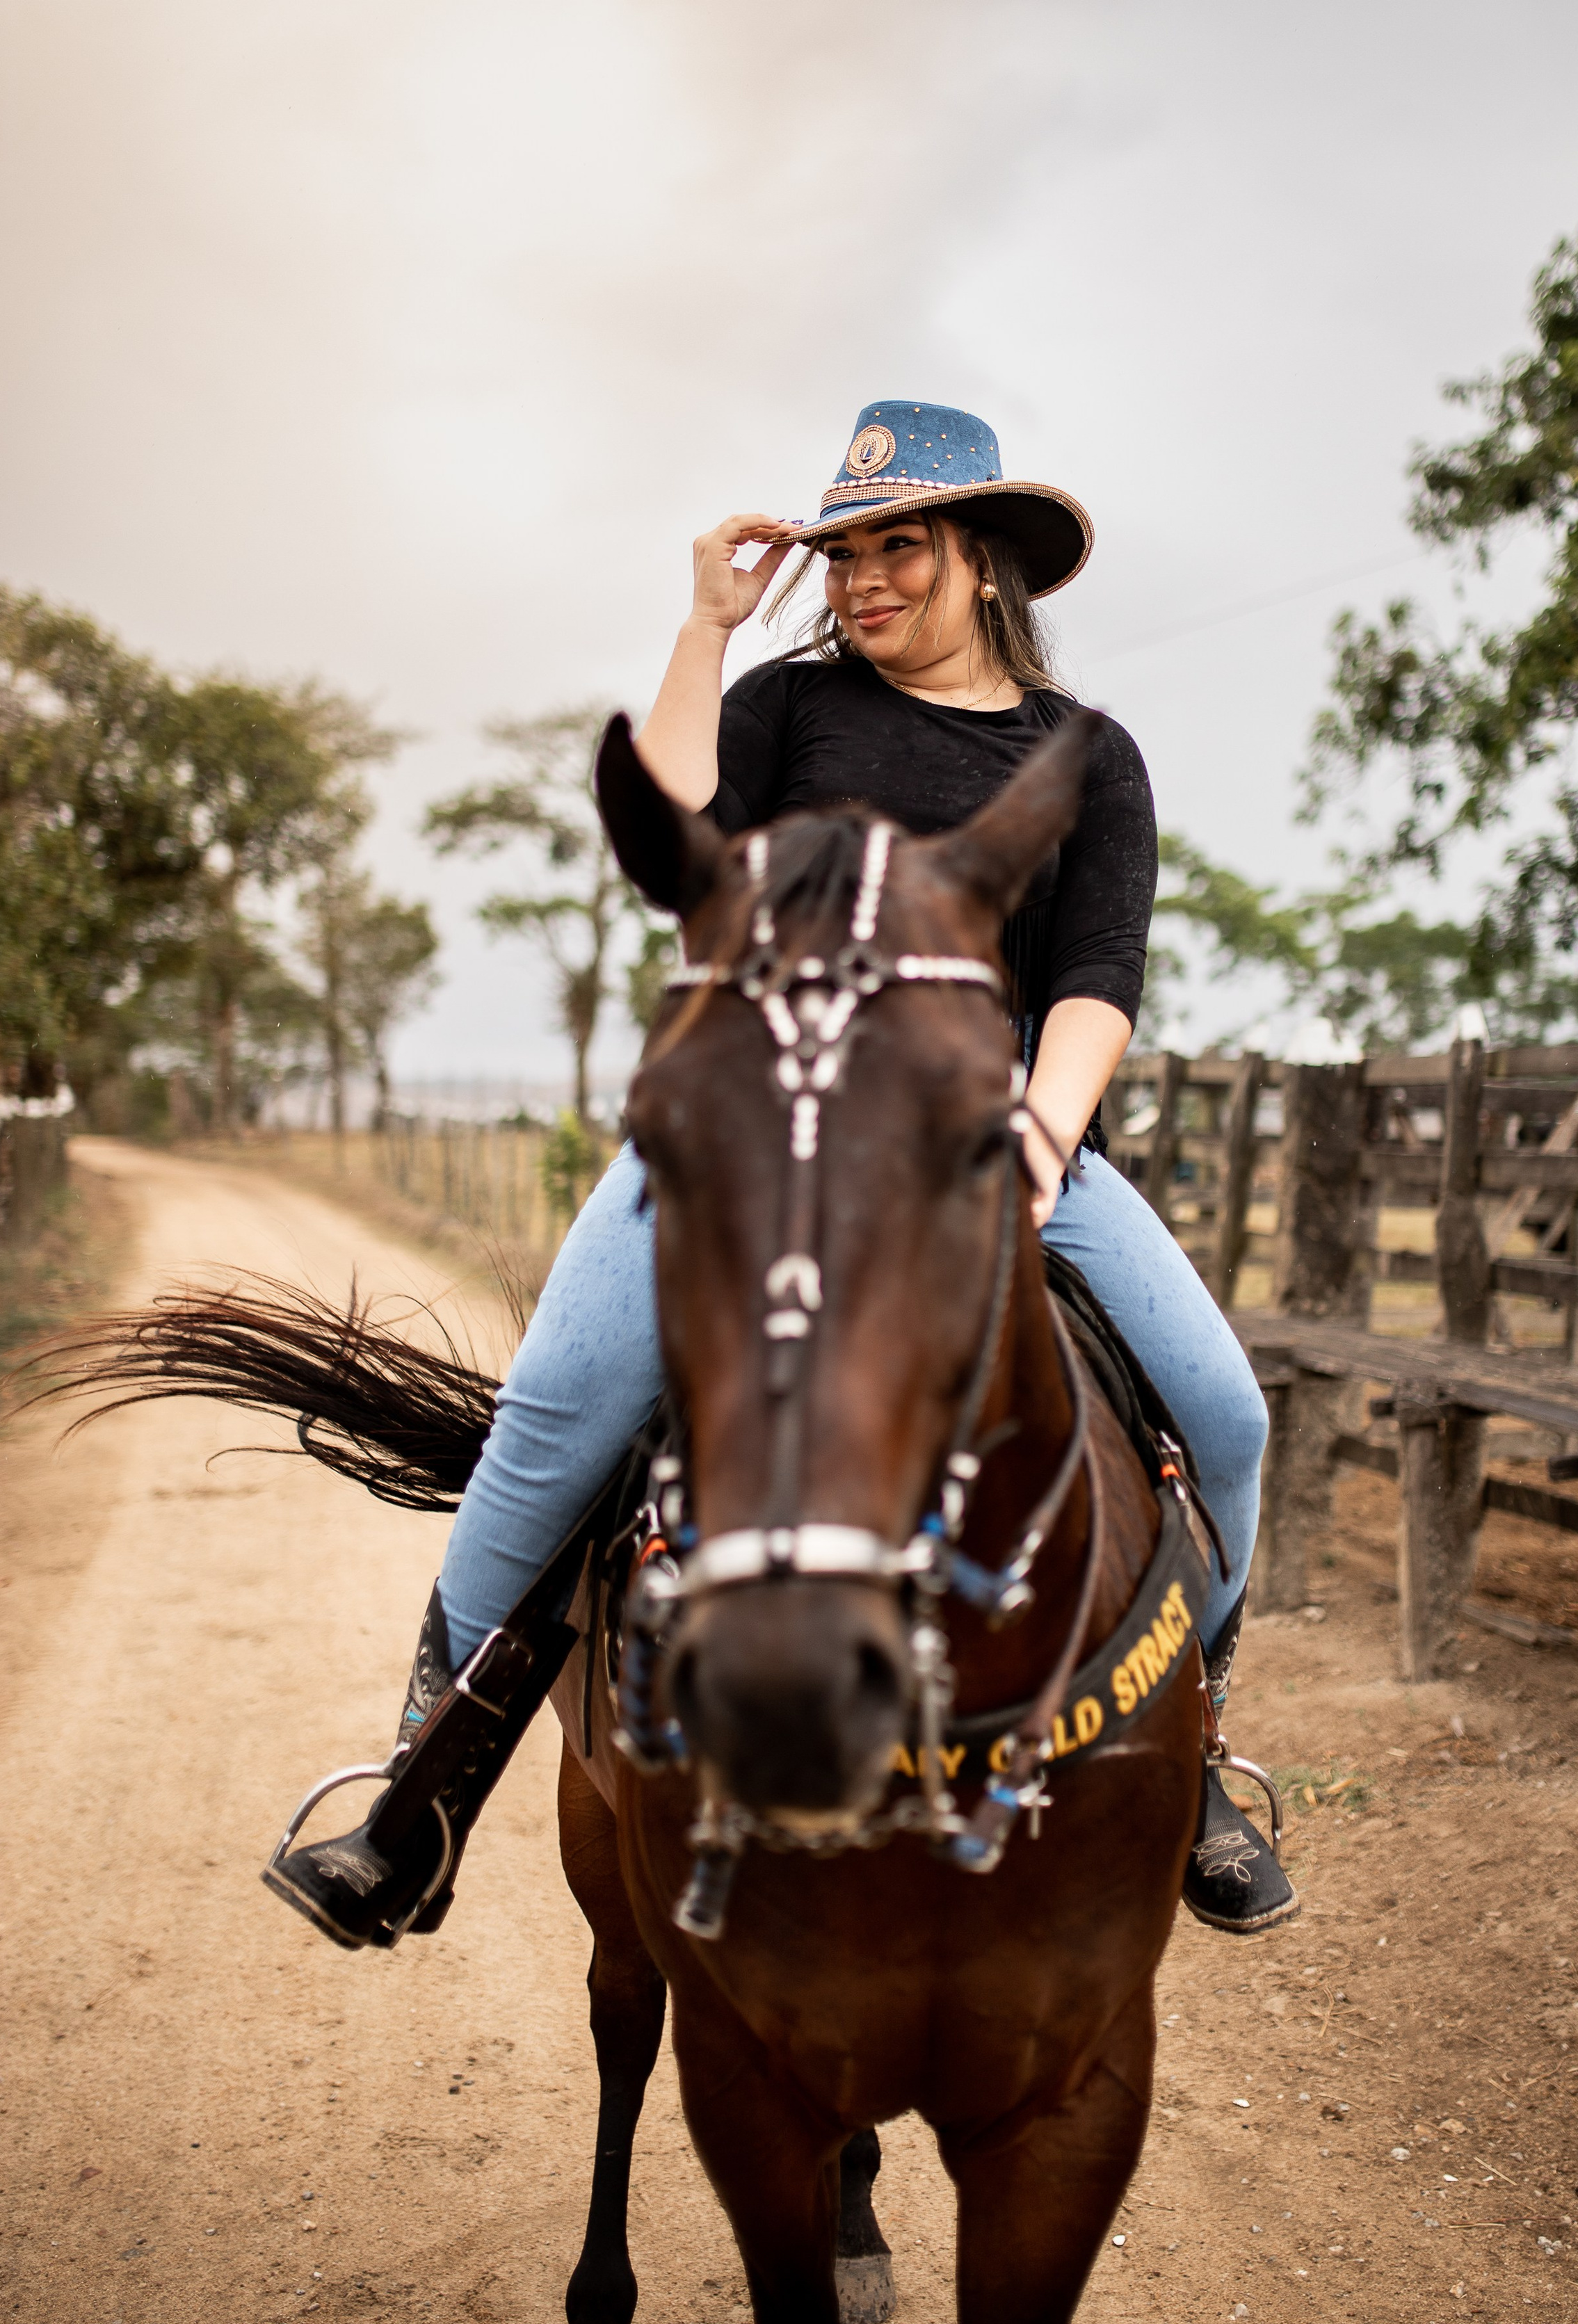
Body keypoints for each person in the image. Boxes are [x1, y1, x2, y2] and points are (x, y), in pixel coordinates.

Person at [267, 401, 1292, 1948]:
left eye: (899, 547)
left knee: (1223, 1413)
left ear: (983, 560)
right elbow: (666, 837)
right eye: (847, 552)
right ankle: (421, 1788)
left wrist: (1035, 1138)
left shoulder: (1083, 756)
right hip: (763, 1131)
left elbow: (1094, 975)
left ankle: (1192, 1747)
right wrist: (704, 628)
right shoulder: (789, 708)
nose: (864, 580)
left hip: (1004, 1130)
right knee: (556, 1415)